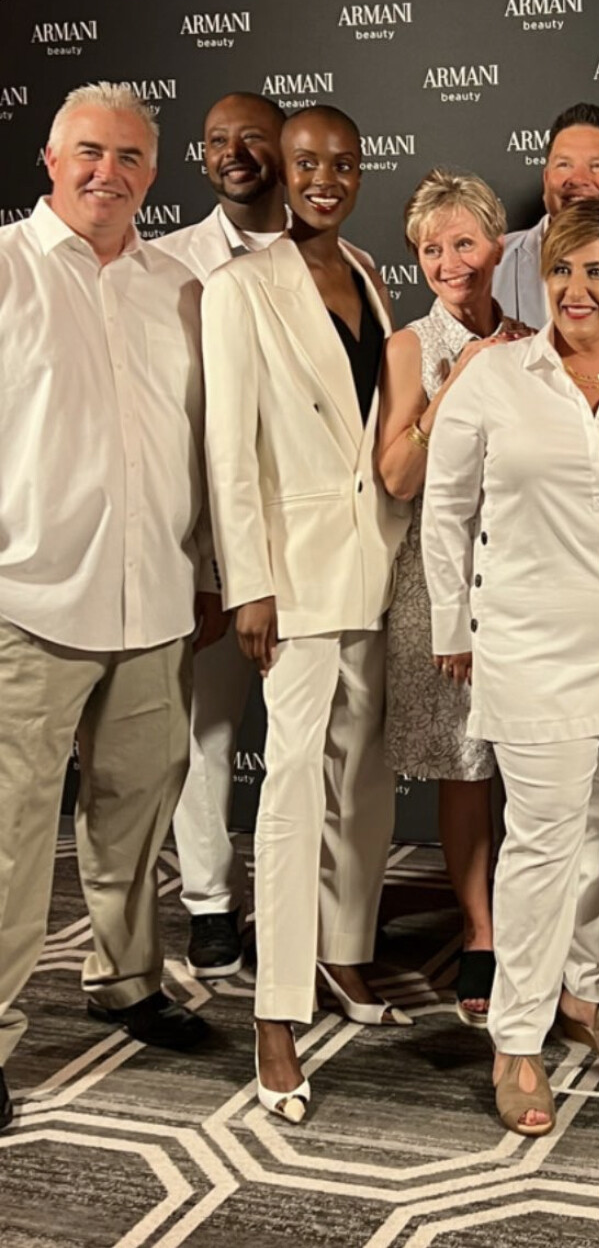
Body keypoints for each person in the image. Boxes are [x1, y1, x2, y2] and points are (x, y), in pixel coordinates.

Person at [422, 197, 599, 1137]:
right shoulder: (495, 377)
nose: (575, 289)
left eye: (596, 271)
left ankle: (588, 994)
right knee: (542, 843)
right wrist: (452, 623)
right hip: (527, 648)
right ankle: (517, 1038)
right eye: (560, 270)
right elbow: (445, 508)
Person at [0, 83, 215, 1131]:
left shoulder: (179, 287)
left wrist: (209, 571)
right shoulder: (4, 269)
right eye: (89, 152)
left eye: (129, 157)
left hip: (155, 600)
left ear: (152, 173)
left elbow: (204, 445)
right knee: (8, 837)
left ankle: (125, 981)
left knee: (136, 814)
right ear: (50, 161)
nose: (108, 172)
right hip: (28, 602)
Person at [202, 105, 410, 1126]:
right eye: (306, 163)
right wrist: (249, 581)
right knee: (290, 790)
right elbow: (230, 448)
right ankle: (275, 1013)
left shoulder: (368, 273)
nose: (325, 179)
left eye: (343, 163)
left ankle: (342, 952)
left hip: (377, 562)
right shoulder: (240, 288)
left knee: (362, 777)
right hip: (293, 575)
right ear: (279, 172)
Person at [377, 168, 527, 1026]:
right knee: (466, 766)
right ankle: (480, 933)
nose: (448, 263)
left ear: (497, 246)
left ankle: (539, 919)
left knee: (534, 760)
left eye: (463, 243)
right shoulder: (412, 347)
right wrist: (455, 384)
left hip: (527, 575)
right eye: (431, 250)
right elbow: (397, 476)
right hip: (439, 581)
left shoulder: (535, 339)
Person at [153, 91, 289, 981]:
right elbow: (174, 423)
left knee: (308, 740)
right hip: (207, 544)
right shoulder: (168, 265)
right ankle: (209, 903)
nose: (231, 152)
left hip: (310, 543)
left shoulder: (341, 260)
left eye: (250, 138)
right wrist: (205, 564)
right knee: (206, 730)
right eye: (214, 141)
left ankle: (295, 903)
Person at [493, 103, 599, 326]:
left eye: (597, 166)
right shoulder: (491, 265)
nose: (578, 179)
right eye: (564, 164)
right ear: (546, 180)